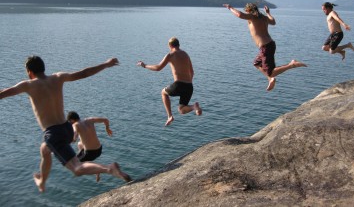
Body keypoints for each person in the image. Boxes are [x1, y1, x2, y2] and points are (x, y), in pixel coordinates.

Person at [0, 56, 132, 193]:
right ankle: (42, 182)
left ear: (29, 72)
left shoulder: (27, 85)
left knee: (77, 168)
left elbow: (3, 93)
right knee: (45, 150)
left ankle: (109, 169)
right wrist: (106, 64)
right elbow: (84, 73)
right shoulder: (58, 77)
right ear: (43, 68)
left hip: (53, 133)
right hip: (67, 128)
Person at [224, 3, 307, 91]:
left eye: (246, 11)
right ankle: (270, 79)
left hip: (266, 47)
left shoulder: (252, 17)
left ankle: (291, 65)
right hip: (268, 45)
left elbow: (239, 14)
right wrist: (268, 13)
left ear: (249, 10)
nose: (246, 13)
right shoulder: (263, 17)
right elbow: (273, 22)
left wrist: (230, 8)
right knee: (256, 63)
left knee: (271, 73)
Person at [137, 37, 202, 126]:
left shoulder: (170, 55)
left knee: (163, 93)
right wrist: (187, 82)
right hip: (189, 86)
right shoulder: (186, 55)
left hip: (179, 84)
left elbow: (158, 68)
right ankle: (194, 107)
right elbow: (192, 72)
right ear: (179, 44)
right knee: (182, 110)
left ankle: (170, 116)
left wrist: (144, 65)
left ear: (170, 46)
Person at [67, 111, 112, 182]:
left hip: (91, 153)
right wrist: (107, 128)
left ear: (72, 120)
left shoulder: (75, 125)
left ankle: (97, 169)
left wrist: (70, 140)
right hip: (99, 149)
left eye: (70, 122)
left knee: (76, 166)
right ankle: (83, 157)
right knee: (79, 144)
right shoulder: (90, 120)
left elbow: (75, 136)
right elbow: (105, 120)